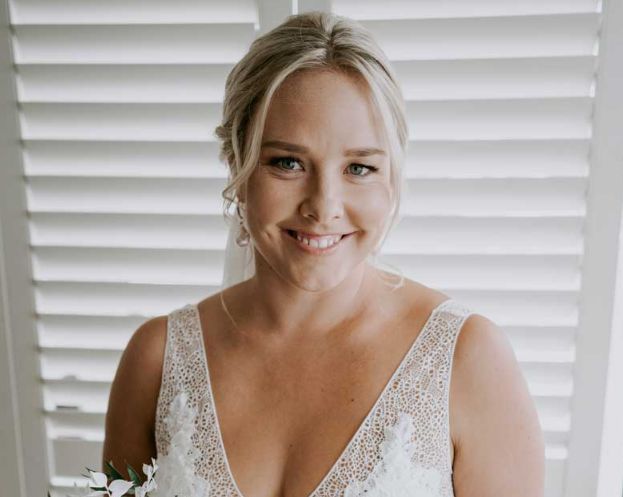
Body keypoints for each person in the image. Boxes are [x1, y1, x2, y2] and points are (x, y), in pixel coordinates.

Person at [103, 11, 545, 497]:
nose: (323, 207)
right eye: (288, 162)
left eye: (358, 167)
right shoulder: (156, 359)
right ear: (237, 163)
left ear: (392, 177)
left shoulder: (467, 359)